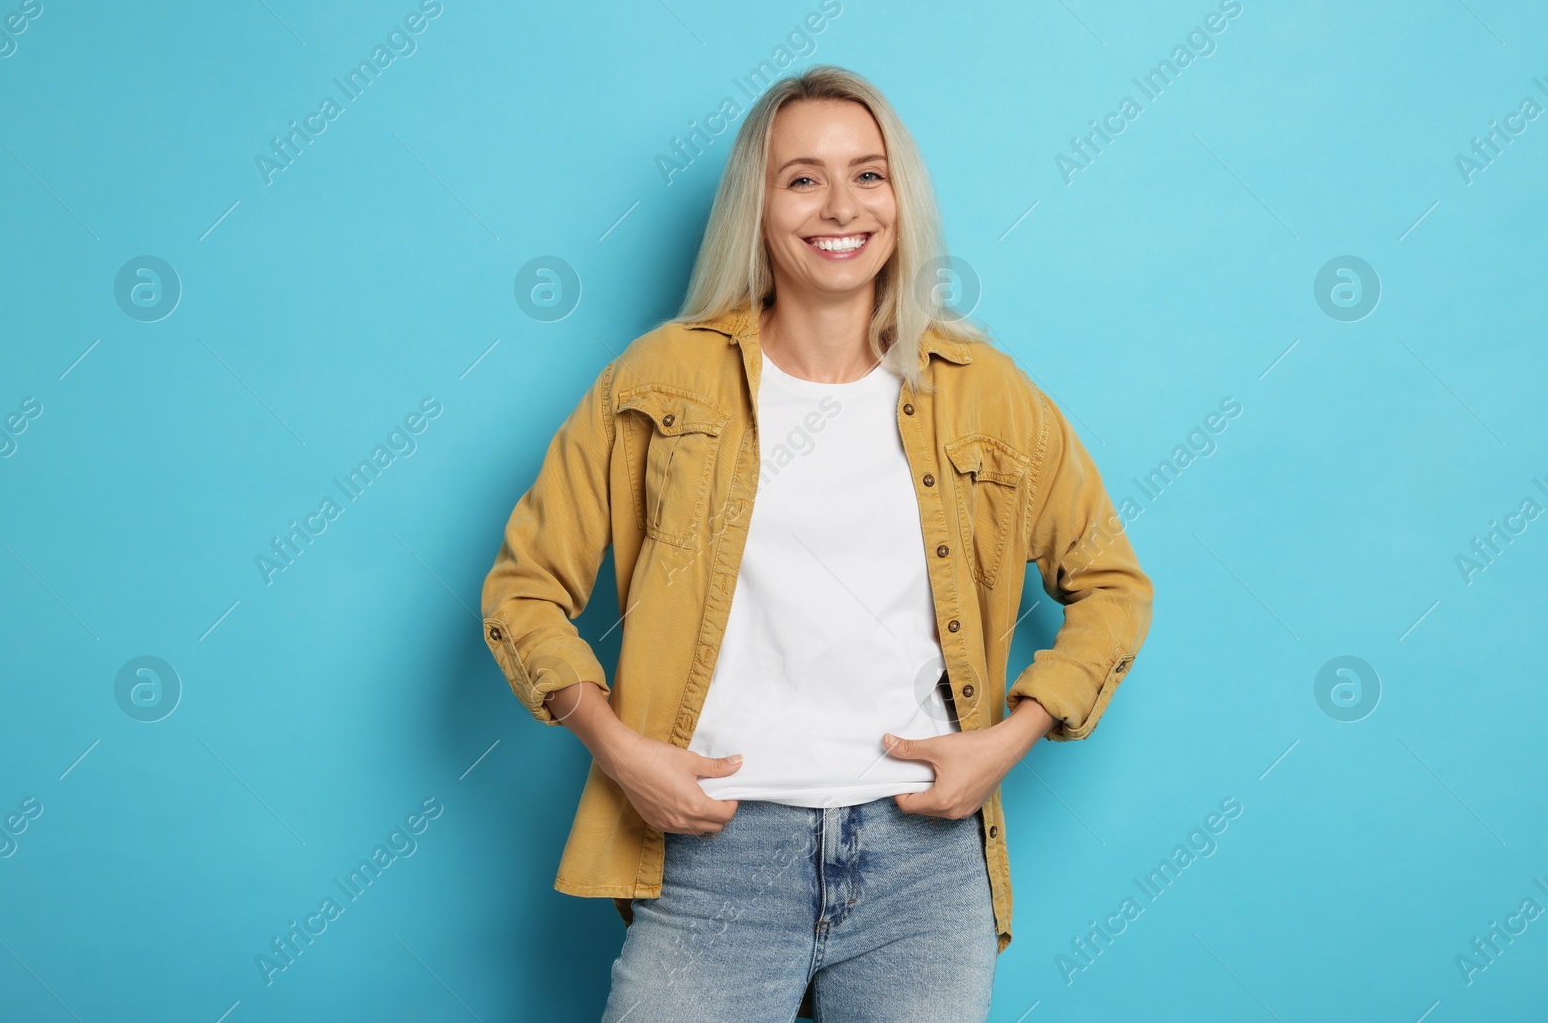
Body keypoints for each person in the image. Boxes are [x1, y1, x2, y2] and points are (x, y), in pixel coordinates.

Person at [479, 65, 1153, 1022]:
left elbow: (1114, 586)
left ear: (899, 196)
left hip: (923, 864)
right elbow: (522, 591)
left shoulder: (984, 391)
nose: (840, 205)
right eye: (802, 178)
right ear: (755, 205)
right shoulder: (661, 378)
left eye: (867, 174)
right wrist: (621, 751)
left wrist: (1010, 737)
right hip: (714, 854)